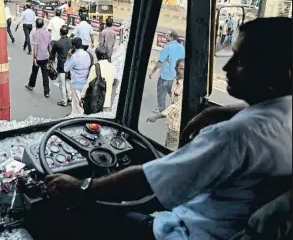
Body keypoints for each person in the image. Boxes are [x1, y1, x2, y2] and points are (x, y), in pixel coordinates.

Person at [45, 17, 292, 240]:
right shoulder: (278, 116)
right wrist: (221, 110)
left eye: (240, 61)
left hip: (187, 231)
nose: (227, 69)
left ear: (279, 74)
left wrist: (81, 187)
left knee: (92, 218)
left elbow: (148, 180)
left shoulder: (233, 136)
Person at [146, 58, 185, 151]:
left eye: (184, 69)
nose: (182, 71)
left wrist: (157, 116)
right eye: (180, 69)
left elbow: (176, 107)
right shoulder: (175, 81)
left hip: (176, 127)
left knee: (170, 151)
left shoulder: (183, 85)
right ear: (176, 69)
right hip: (170, 123)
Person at [149, 30, 185, 114]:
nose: (165, 36)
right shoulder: (182, 47)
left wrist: (152, 72)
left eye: (167, 35)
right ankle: (177, 108)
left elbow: (160, 62)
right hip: (176, 76)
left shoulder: (167, 47)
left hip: (166, 76)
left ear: (171, 37)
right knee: (173, 93)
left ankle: (161, 110)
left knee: (161, 93)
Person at [81, 45, 117, 112]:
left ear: (97, 55)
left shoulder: (95, 67)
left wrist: (82, 96)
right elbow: (114, 82)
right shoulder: (113, 67)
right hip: (107, 102)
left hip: (96, 101)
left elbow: (88, 84)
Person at [64, 37, 92, 115]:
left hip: (76, 82)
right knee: (78, 100)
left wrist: (68, 56)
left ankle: (78, 117)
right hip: (85, 80)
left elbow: (66, 68)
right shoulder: (87, 54)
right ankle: (73, 114)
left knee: (78, 102)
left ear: (74, 46)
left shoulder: (74, 56)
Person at [26, 18, 52, 98]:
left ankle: (31, 85)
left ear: (36, 25)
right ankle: (46, 92)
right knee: (45, 74)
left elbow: (35, 46)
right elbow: (49, 46)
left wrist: (34, 57)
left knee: (34, 72)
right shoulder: (48, 33)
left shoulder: (35, 34)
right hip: (45, 56)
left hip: (38, 57)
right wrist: (49, 55)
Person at [50, 25, 72, 107]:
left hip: (61, 65)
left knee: (62, 84)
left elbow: (52, 55)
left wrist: (50, 62)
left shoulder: (57, 43)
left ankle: (64, 101)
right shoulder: (70, 41)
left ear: (60, 32)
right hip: (69, 65)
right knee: (67, 82)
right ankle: (70, 98)